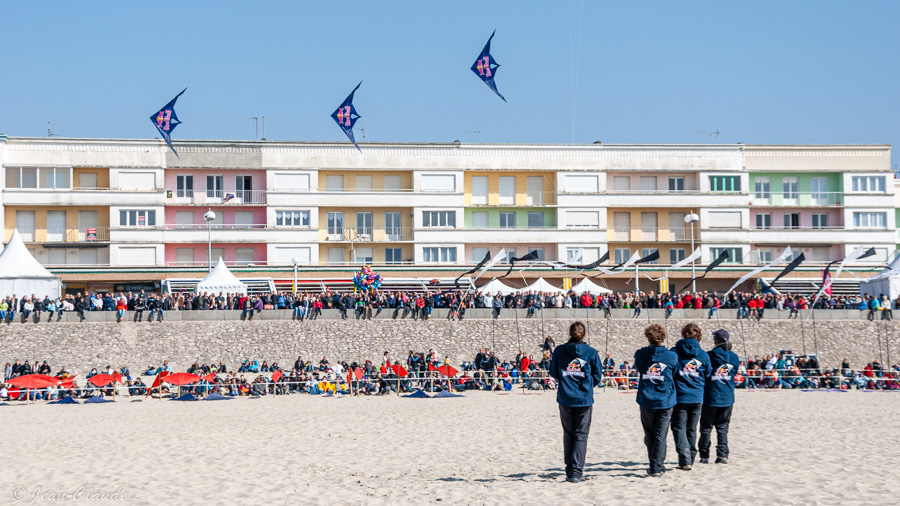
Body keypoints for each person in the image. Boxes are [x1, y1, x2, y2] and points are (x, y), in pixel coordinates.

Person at [549, 321, 602, 483]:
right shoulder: (591, 352)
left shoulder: (560, 351)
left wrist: (568, 381)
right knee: (580, 434)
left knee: (569, 433)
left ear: (569, 333)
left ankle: (570, 469)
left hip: (566, 396)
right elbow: (597, 376)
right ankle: (575, 471)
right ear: (584, 334)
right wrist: (584, 384)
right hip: (583, 397)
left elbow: (553, 372)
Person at [634, 323, 678, 477]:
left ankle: (655, 464)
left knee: (650, 434)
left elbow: (639, 366)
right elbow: (674, 371)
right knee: (660, 434)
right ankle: (657, 466)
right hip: (664, 398)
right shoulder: (671, 355)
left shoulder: (640, 354)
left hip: (647, 398)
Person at [669, 323, 711, 471]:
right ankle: (690, 456)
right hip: (697, 396)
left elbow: (671, 371)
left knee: (678, 427)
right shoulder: (703, 355)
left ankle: (685, 457)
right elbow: (707, 374)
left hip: (680, 396)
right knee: (691, 429)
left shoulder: (675, 352)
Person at [698, 329, 739, 464]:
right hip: (727, 396)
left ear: (715, 341)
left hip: (711, 395)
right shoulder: (733, 357)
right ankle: (722, 455)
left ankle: (704, 456)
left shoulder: (708, 355)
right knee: (722, 428)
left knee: (706, 427)